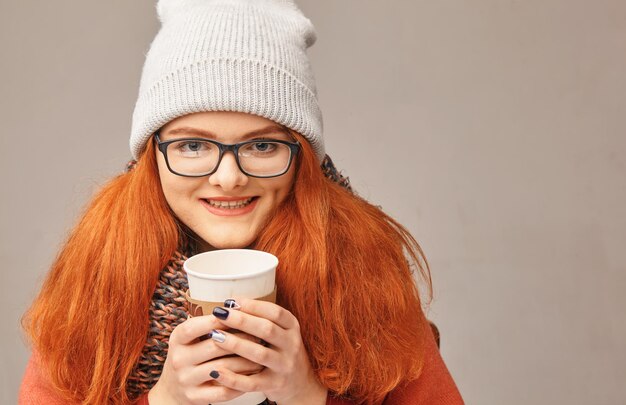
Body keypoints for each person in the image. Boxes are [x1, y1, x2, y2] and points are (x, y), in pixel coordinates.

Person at [19, 0, 464, 404]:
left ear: (302, 158)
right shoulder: (94, 274)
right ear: (151, 157)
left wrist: (310, 396)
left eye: (262, 147)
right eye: (192, 146)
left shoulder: (365, 270)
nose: (228, 178)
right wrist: (165, 401)